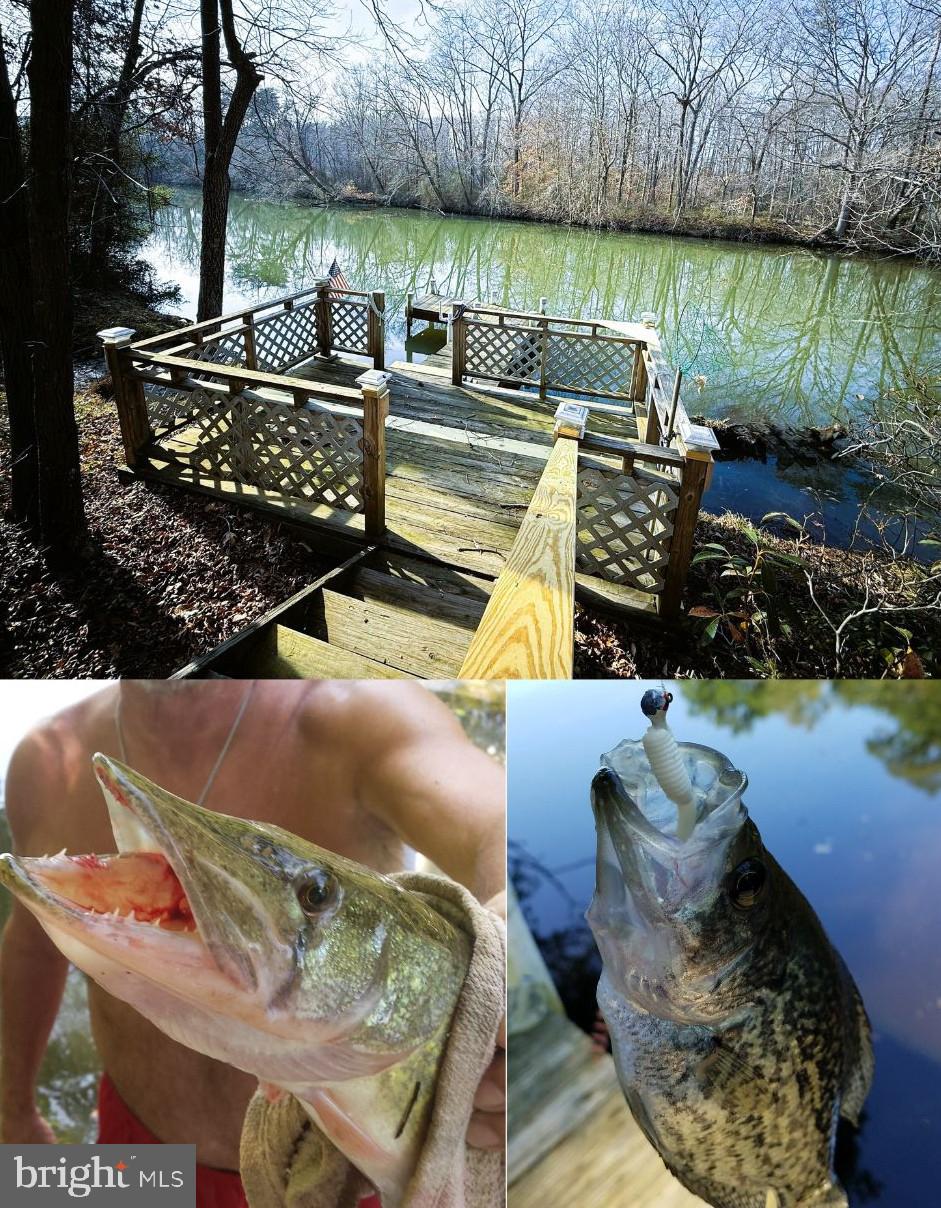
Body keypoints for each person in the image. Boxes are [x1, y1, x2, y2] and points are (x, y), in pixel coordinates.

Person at [0, 681, 506, 1208]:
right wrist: (14, 1111)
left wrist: (515, 929)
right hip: (140, 1159)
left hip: (343, 1182)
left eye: (315, 894)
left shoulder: (362, 712)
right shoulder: (41, 761)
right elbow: (32, 945)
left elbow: (498, 824)